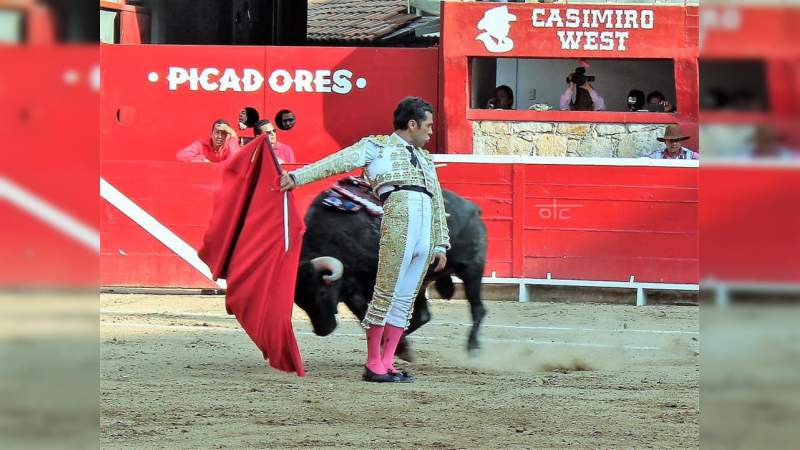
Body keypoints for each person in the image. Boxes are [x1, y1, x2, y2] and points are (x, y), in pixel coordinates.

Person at [279, 97, 450, 383]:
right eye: (428, 126)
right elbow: (335, 163)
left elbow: (436, 201)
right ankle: (373, 364)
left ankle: (387, 362)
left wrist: (440, 243)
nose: (431, 132)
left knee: (405, 301)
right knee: (384, 294)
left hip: (424, 232)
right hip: (398, 221)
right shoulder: (376, 147)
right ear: (412, 124)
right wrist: (297, 177)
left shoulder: (425, 159)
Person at [176, 119, 240, 163]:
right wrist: (202, 160)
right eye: (217, 133)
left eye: (224, 133)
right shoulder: (201, 144)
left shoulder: (230, 145)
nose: (220, 137)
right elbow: (181, 155)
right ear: (211, 134)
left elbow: (235, 161)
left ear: (228, 136)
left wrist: (233, 135)